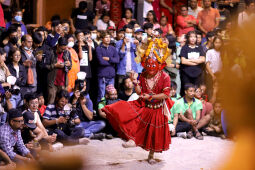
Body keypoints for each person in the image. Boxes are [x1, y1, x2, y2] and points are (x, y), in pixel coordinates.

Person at [102, 37, 173, 164]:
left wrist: (151, 97)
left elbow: (166, 95)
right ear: (145, 64)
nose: (150, 69)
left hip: (158, 109)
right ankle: (132, 139)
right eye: (148, 65)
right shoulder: (144, 75)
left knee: (153, 133)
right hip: (144, 105)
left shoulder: (165, 76)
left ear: (159, 64)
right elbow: (140, 92)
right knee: (129, 115)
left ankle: (151, 155)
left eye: (153, 66)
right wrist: (135, 82)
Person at [96, 31, 120, 103]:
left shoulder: (113, 48)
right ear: (102, 39)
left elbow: (117, 60)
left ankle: (110, 110)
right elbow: (101, 61)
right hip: (102, 75)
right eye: (106, 37)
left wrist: (109, 59)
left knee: (111, 95)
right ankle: (100, 111)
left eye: (109, 37)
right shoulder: (98, 48)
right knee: (102, 95)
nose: (108, 39)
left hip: (111, 75)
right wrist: (112, 62)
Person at [180, 31, 205, 95]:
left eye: (194, 37)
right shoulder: (184, 48)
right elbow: (183, 61)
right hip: (186, 74)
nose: (193, 38)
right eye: (191, 37)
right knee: (187, 91)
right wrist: (196, 61)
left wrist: (190, 60)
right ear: (188, 38)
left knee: (196, 91)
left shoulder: (200, 47)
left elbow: (203, 59)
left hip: (197, 74)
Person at [47, 37, 72, 104]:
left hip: (63, 82)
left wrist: (69, 65)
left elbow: (70, 66)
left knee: (63, 102)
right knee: (51, 102)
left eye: (65, 48)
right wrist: (55, 65)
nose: (63, 51)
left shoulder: (67, 53)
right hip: (52, 82)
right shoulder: (50, 52)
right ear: (58, 45)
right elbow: (45, 66)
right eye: (62, 49)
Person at [116, 24, 138, 90]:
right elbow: (120, 56)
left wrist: (137, 46)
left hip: (132, 70)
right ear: (124, 33)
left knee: (133, 88)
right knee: (121, 88)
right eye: (127, 32)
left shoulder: (134, 42)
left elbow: (137, 56)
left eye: (130, 32)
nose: (129, 34)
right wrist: (123, 44)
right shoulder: (119, 43)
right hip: (122, 70)